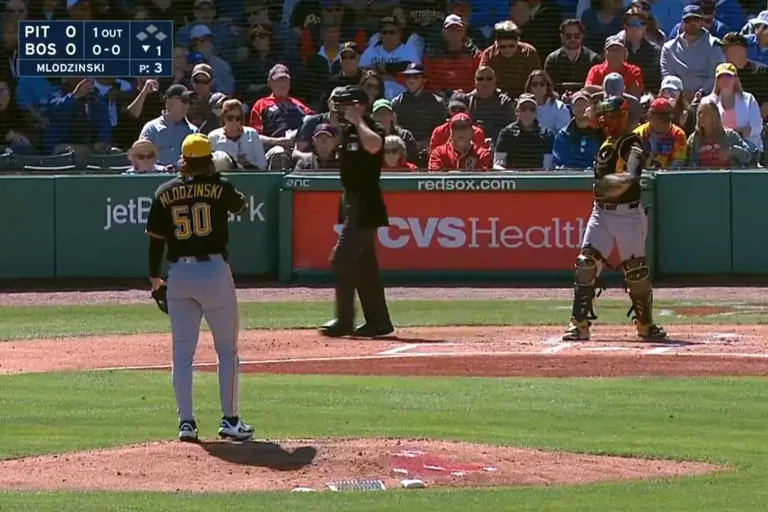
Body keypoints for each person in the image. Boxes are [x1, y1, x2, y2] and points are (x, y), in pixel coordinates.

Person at [144, 133, 254, 443]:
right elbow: (241, 206)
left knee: (182, 353)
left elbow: (156, 242)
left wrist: (155, 280)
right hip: (214, 271)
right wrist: (215, 179)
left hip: (179, 273)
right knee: (227, 350)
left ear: (183, 160)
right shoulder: (219, 186)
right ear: (208, 160)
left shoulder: (165, 191)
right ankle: (230, 420)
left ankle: (186, 423)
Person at [562, 96, 667, 342]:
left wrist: (613, 182)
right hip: (601, 212)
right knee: (586, 264)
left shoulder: (631, 141)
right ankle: (578, 324)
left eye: (611, 117)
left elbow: (632, 173)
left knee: (636, 271)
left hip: (627, 215)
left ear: (623, 117)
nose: (605, 121)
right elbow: (587, 115)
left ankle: (645, 324)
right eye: (603, 117)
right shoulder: (606, 139)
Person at [319, 85, 394, 339]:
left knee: (341, 259)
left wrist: (358, 120)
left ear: (358, 106)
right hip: (351, 200)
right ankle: (378, 321)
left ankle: (344, 320)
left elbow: (374, 146)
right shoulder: (347, 130)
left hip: (366, 202)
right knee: (364, 266)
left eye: (343, 106)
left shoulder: (370, 127)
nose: (338, 110)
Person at [685, 100, 752, 168]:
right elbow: (688, 164)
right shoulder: (693, 139)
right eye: (699, 113)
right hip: (702, 174)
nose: (701, 116)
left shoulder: (730, 136)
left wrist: (731, 151)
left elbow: (747, 156)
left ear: (715, 117)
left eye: (705, 113)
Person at [208, 98, 268, 170]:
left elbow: (262, 163)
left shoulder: (252, 133)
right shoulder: (213, 136)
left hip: (249, 174)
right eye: (230, 118)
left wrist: (248, 166)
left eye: (238, 118)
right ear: (223, 118)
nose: (234, 121)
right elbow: (210, 164)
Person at [632, 97, 688, 169]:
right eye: (661, 118)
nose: (666, 122)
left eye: (669, 118)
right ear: (650, 117)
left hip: (668, 174)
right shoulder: (637, 134)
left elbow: (679, 161)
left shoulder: (679, 135)